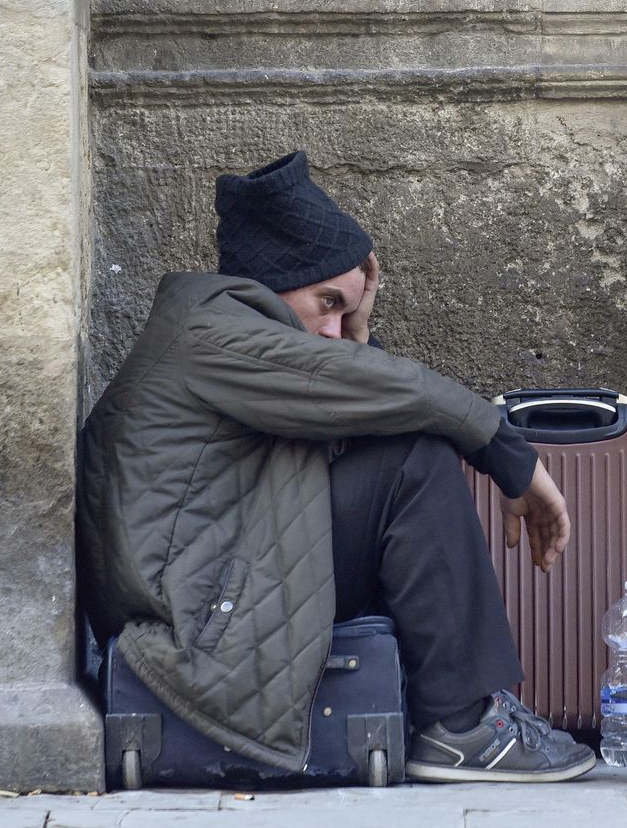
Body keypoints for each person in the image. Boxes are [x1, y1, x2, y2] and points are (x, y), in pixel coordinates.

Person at [77, 151, 596, 783]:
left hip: (213, 592)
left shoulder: (221, 331)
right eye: (326, 303)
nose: (332, 329)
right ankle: (462, 724)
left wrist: (356, 335)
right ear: (272, 282)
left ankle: (457, 716)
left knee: (402, 446)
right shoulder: (214, 335)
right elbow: (397, 396)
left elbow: (360, 402)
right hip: (195, 622)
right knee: (416, 458)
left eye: (345, 312)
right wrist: (508, 453)